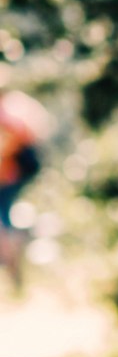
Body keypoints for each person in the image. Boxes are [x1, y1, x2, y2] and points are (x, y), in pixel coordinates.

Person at [0, 91, 48, 301]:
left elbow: (10, 144)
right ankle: (13, 267)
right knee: (5, 217)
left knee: (3, 219)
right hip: (19, 169)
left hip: (14, 171)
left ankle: (11, 264)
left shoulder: (7, 112)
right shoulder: (15, 103)